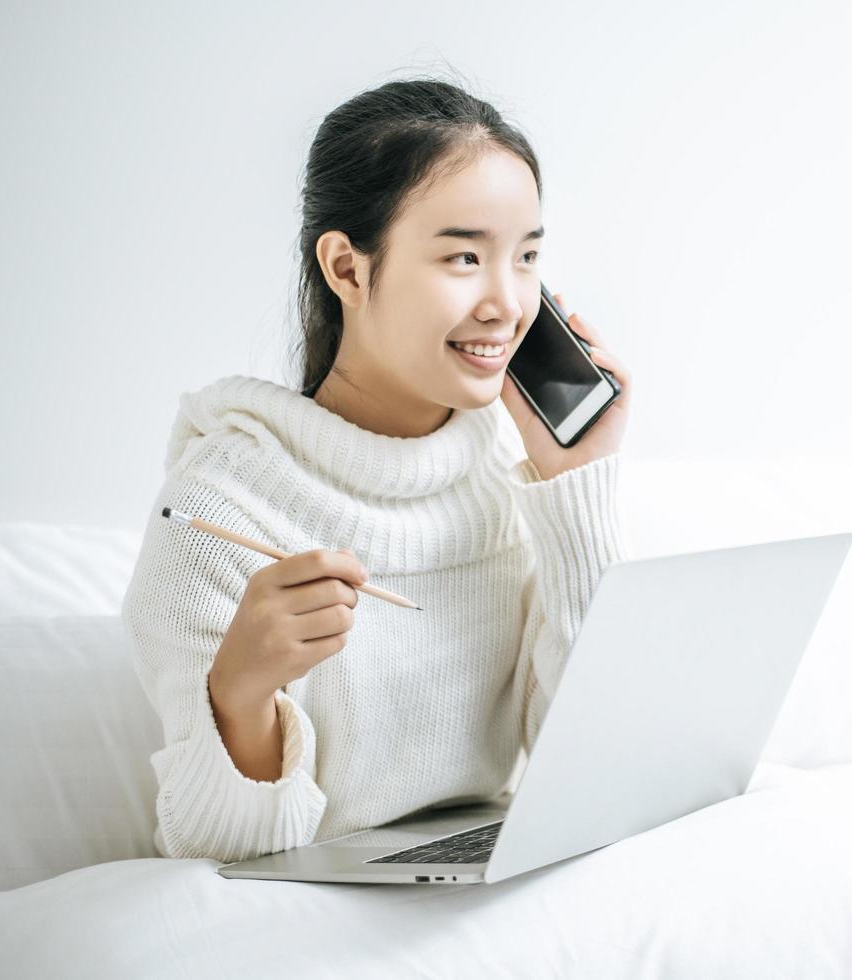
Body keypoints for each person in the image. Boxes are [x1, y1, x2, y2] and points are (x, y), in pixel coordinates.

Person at [120, 74, 634, 863]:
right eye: (464, 255)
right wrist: (241, 694)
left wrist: (577, 487)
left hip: (493, 878)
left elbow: (594, 761)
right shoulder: (217, 510)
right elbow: (213, 853)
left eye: (526, 256)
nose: (508, 302)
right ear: (348, 270)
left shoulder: (508, 471)